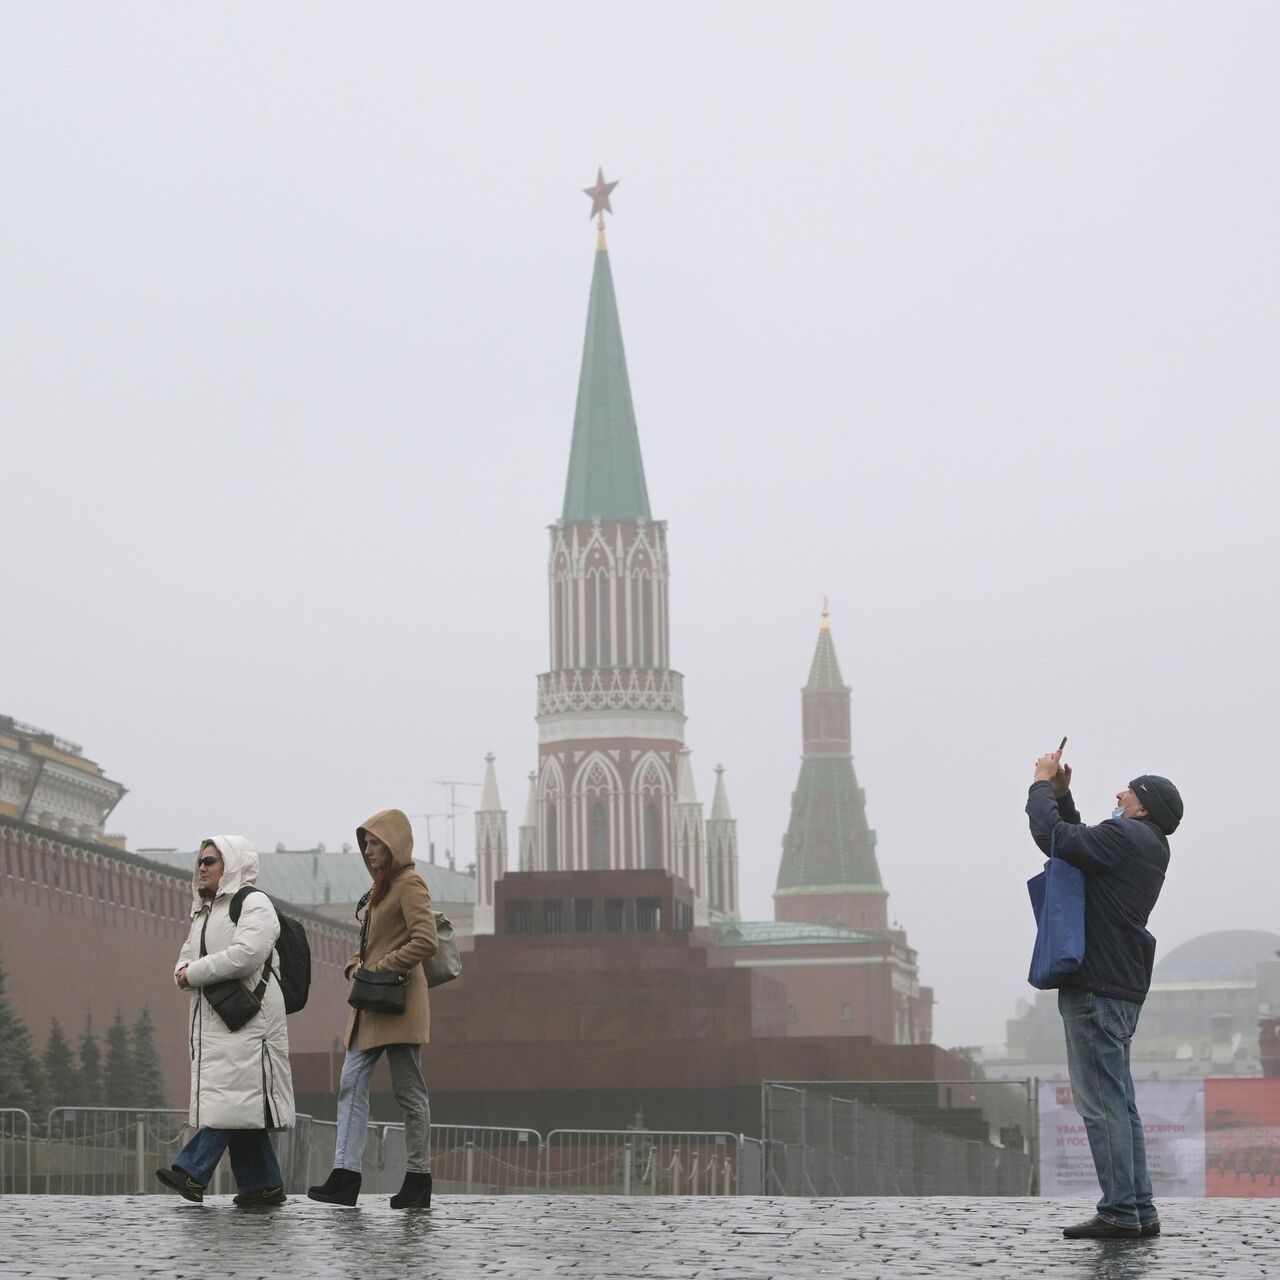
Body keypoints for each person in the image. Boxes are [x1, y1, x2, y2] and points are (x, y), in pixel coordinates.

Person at [1026, 749, 1183, 1240]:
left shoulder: (1125, 836)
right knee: (1121, 1103)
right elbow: (1079, 845)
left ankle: (1118, 1212)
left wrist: (1040, 785)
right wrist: (1064, 795)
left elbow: (1054, 837)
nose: (1118, 794)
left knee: (1101, 1105)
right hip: (1120, 985)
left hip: (1095, 985)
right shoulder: (1145, 843)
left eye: (1127, 790)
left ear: (1143, 807)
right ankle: (1138, 1208)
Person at [156, 835, 296, 1206]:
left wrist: (195, 972)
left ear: (230, 865)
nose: (201, 867)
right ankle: (263, 1185)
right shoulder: (203, 911)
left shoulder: (254, 904)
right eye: (200, 861)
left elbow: (247, 955)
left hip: (253, 1021)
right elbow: (184, 959)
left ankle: (192, 1172)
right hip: (218, 1020)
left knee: (231, 1101)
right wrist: (184, 972)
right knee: (239, 1104)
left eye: (210, 861)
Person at [309, 808, 438, 1209]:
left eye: (375, 842)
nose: (367, 849)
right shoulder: (380, 889)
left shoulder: (409, 883)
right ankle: (345, 1175)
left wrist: (380, 967)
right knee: (351, 1083)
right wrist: (354, 965)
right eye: (365, 842)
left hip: (397, 1003)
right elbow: (369, 945)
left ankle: (418, 1178)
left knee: (409, 1092)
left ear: (394, 844)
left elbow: (426, 940)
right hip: (371, 1002)